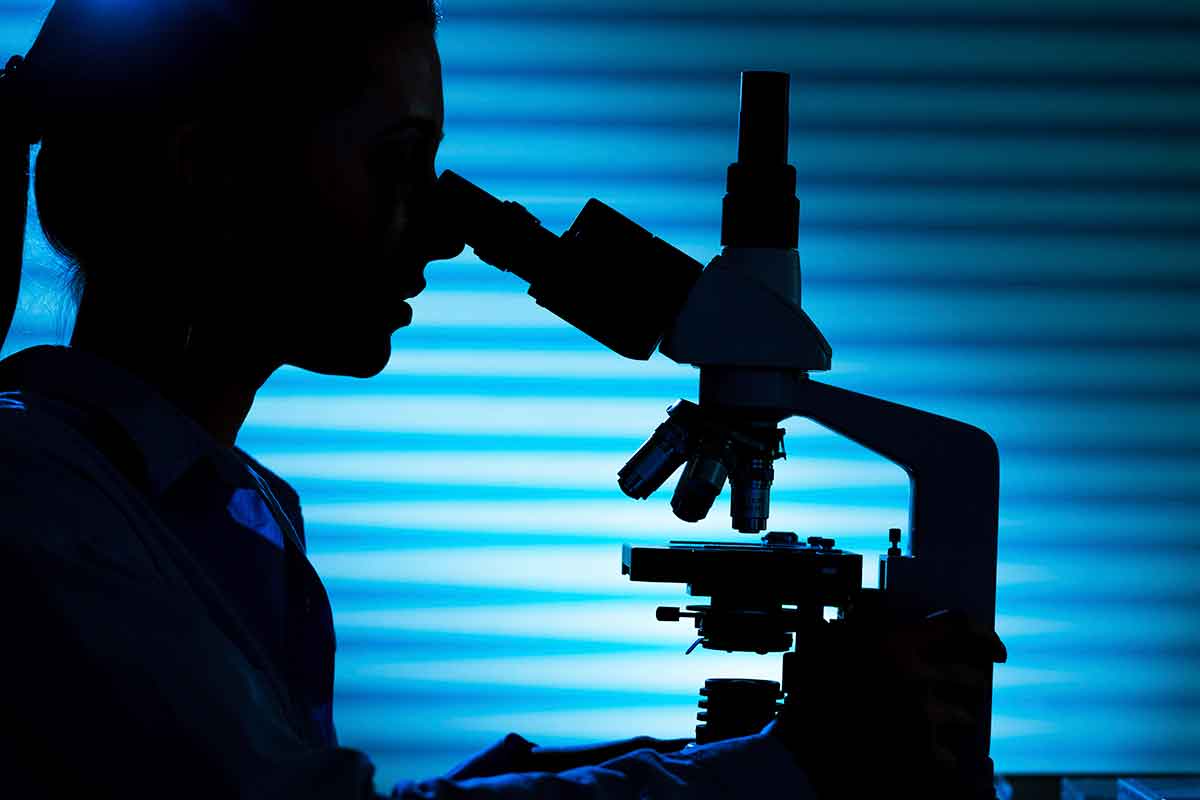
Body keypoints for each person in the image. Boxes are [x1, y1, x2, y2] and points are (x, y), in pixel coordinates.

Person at [0, 2, 1004, 798]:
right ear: (214, 176)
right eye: (399, 164)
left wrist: (595, 767)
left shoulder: (208, 508)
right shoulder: (46, 518)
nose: (441, 228)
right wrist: (790, 760)